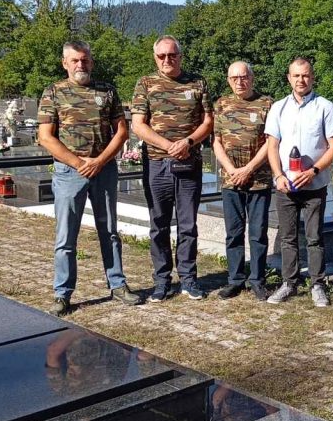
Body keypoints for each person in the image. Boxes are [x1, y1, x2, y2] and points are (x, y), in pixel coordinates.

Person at [38, 40, 141, 315]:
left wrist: (99, 162)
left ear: (91, 62)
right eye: (75, 60)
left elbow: (122, 132)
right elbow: (45, 137)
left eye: (84, 60)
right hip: (69, 172)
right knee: (66, 236)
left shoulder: (107, 91)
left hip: (103, 169)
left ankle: (117, 284)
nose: (80, 64)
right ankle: (62, 293)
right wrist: (79, 163)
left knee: (109, 231)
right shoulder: (53, 92)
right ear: (65, 63)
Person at [131, 36, 214, 302]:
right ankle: (162, 281)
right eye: (162, 56)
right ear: (155, 58)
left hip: (189, 163)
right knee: (159, 225)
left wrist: (188, 142)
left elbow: (208, 121)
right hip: (157, 164)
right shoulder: (145, 83)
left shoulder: (197, 83)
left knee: (188, 225)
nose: (167, 59)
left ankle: (188, 279)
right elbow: (138, 125)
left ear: (180, 56)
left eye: (172, 55)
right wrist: (169, 146)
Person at [265, 58, 333, 307]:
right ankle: (289, 283)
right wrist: (278, 175)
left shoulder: (325, 107)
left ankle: (318, 284)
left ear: (312, 78)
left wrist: (314, 171)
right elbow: (272, 146)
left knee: (314, 237)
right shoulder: (278, 108)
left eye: (306, 75)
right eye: (296, 75)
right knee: (288, 238)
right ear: (289, 78)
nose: (301, 80)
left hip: (314, 185)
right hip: (286, 185)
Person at [212, 61, 273, 301]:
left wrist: (248, 169)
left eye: (244, 77)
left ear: (252, 78)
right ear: (228, 80)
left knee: (258, 233)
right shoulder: (221, 104)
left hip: (259, 179)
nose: (240, 82)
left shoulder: (267, 104)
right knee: (234, 232)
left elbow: (271, 142)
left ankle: (257, 280)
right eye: (234, 78)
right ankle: (235, 280)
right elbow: (216, 141)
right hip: (231, 181)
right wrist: (232, 170)